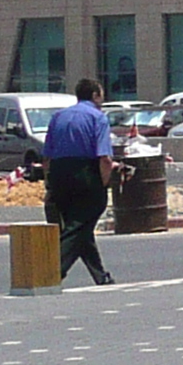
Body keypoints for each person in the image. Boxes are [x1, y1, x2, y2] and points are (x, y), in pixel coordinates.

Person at [43, 77, 118, 286]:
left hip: (59, 174)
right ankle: (53, 270)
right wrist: (103, 183)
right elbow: (104, 157)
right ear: (95, 95)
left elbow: (46, 157)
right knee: (79, 225)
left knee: (79, 227)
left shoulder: (58, 116)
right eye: (101, 94)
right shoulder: (98, 117)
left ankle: (100, 276)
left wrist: (49, 184)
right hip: (85, 173)